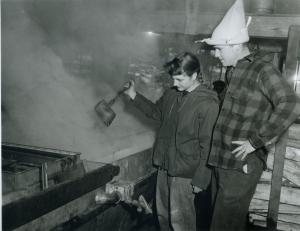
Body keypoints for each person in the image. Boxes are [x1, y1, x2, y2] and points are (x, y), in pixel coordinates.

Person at [198, 0, 300, 230]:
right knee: (222, 222)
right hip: (223, 161)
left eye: (219, 49)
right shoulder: (233, 71)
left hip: (241, 164)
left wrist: (255, 142)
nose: (215, 54)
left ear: (235, 46)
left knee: (223, 226)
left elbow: (291, 103)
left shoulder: (262, 69)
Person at [124, 52, 219, 231]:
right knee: (163, 217)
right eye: (173, 79)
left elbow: (209, 145)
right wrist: (134, 95)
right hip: (165, 166)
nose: (175, 84)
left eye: (180, 79)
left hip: (185, 172)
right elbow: (155, 112)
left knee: (181, 221)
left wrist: (201, 179)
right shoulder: (172, 95)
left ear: (194, 75)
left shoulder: (207, 104)